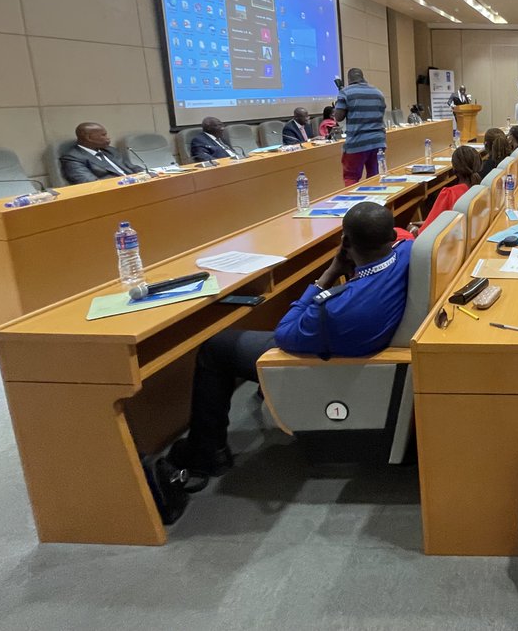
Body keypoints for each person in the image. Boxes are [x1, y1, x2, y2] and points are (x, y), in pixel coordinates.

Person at [167, 202, 411, 475]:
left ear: (345, 243)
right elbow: (404, 239)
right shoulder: (408, 253)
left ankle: (206, 454)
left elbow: (284, 333)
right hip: (363, 341)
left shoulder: (334, 311)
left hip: (329, 358)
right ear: (392, 237)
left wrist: (327, 276)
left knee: (215, 348)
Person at [334, 68, 388, 184]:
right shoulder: (378, 92)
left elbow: (338, 117)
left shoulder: (345, 92)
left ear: (349, 79)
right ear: (363, 77)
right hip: (378, 141)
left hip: (357, 142)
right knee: (375, 176)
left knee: (351, 177)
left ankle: (354, 197)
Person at [415, 146, 484, 234]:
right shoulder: (481, 189)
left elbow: (424, 231)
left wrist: (412, 228)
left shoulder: (450, 194)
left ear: (454, 168)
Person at [60, 122, 143, 183]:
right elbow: (90, 183)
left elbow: (131, 167)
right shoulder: (73, 158)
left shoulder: (110, 150)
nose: (108, 138)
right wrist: (127, 180)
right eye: (103, 135)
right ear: (89, 138)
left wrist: (146, 174)